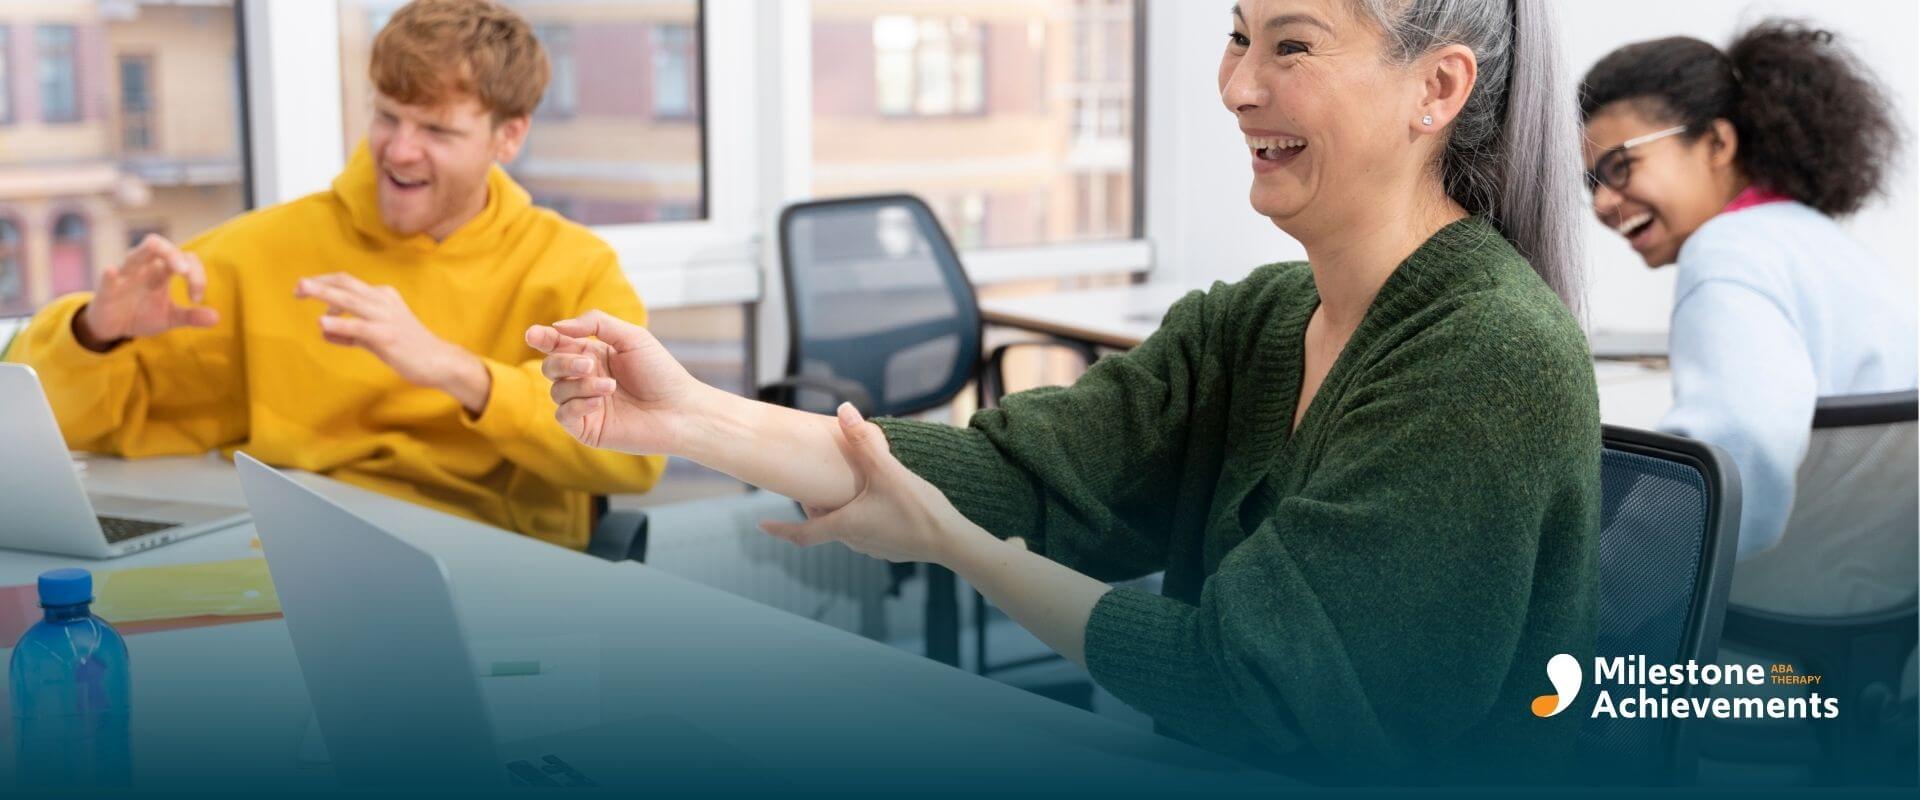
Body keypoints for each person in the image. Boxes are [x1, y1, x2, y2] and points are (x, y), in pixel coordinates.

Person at [532, 0, 1597, 784]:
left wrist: (960, 545)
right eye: (1237, 35)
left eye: (1292, 45)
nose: (1236, 85)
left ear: (1438, 89)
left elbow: (1253, 683)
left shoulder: (1487, 353)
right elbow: (1015, 474)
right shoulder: (1261, 319)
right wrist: (686, 415)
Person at [1, 0, 663, 549]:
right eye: (387, 116)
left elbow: (635, 457)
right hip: (298, 557)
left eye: (436, 129)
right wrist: (94, 335)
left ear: (507, 137)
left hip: (499, 571)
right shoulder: (261, 248)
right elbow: (59, 432)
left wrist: (456, 372)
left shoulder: (573, 267)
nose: (399, 150)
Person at [1580, 21, 1917, 568]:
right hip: (1881, 582)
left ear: (1717, 142)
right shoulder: (1813, 236)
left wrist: (1603, 600)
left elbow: (1733, 460)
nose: (1601, 204)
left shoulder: (1725, 254)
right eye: (1591, 182)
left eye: (1619, 165)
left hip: (1802, 589)